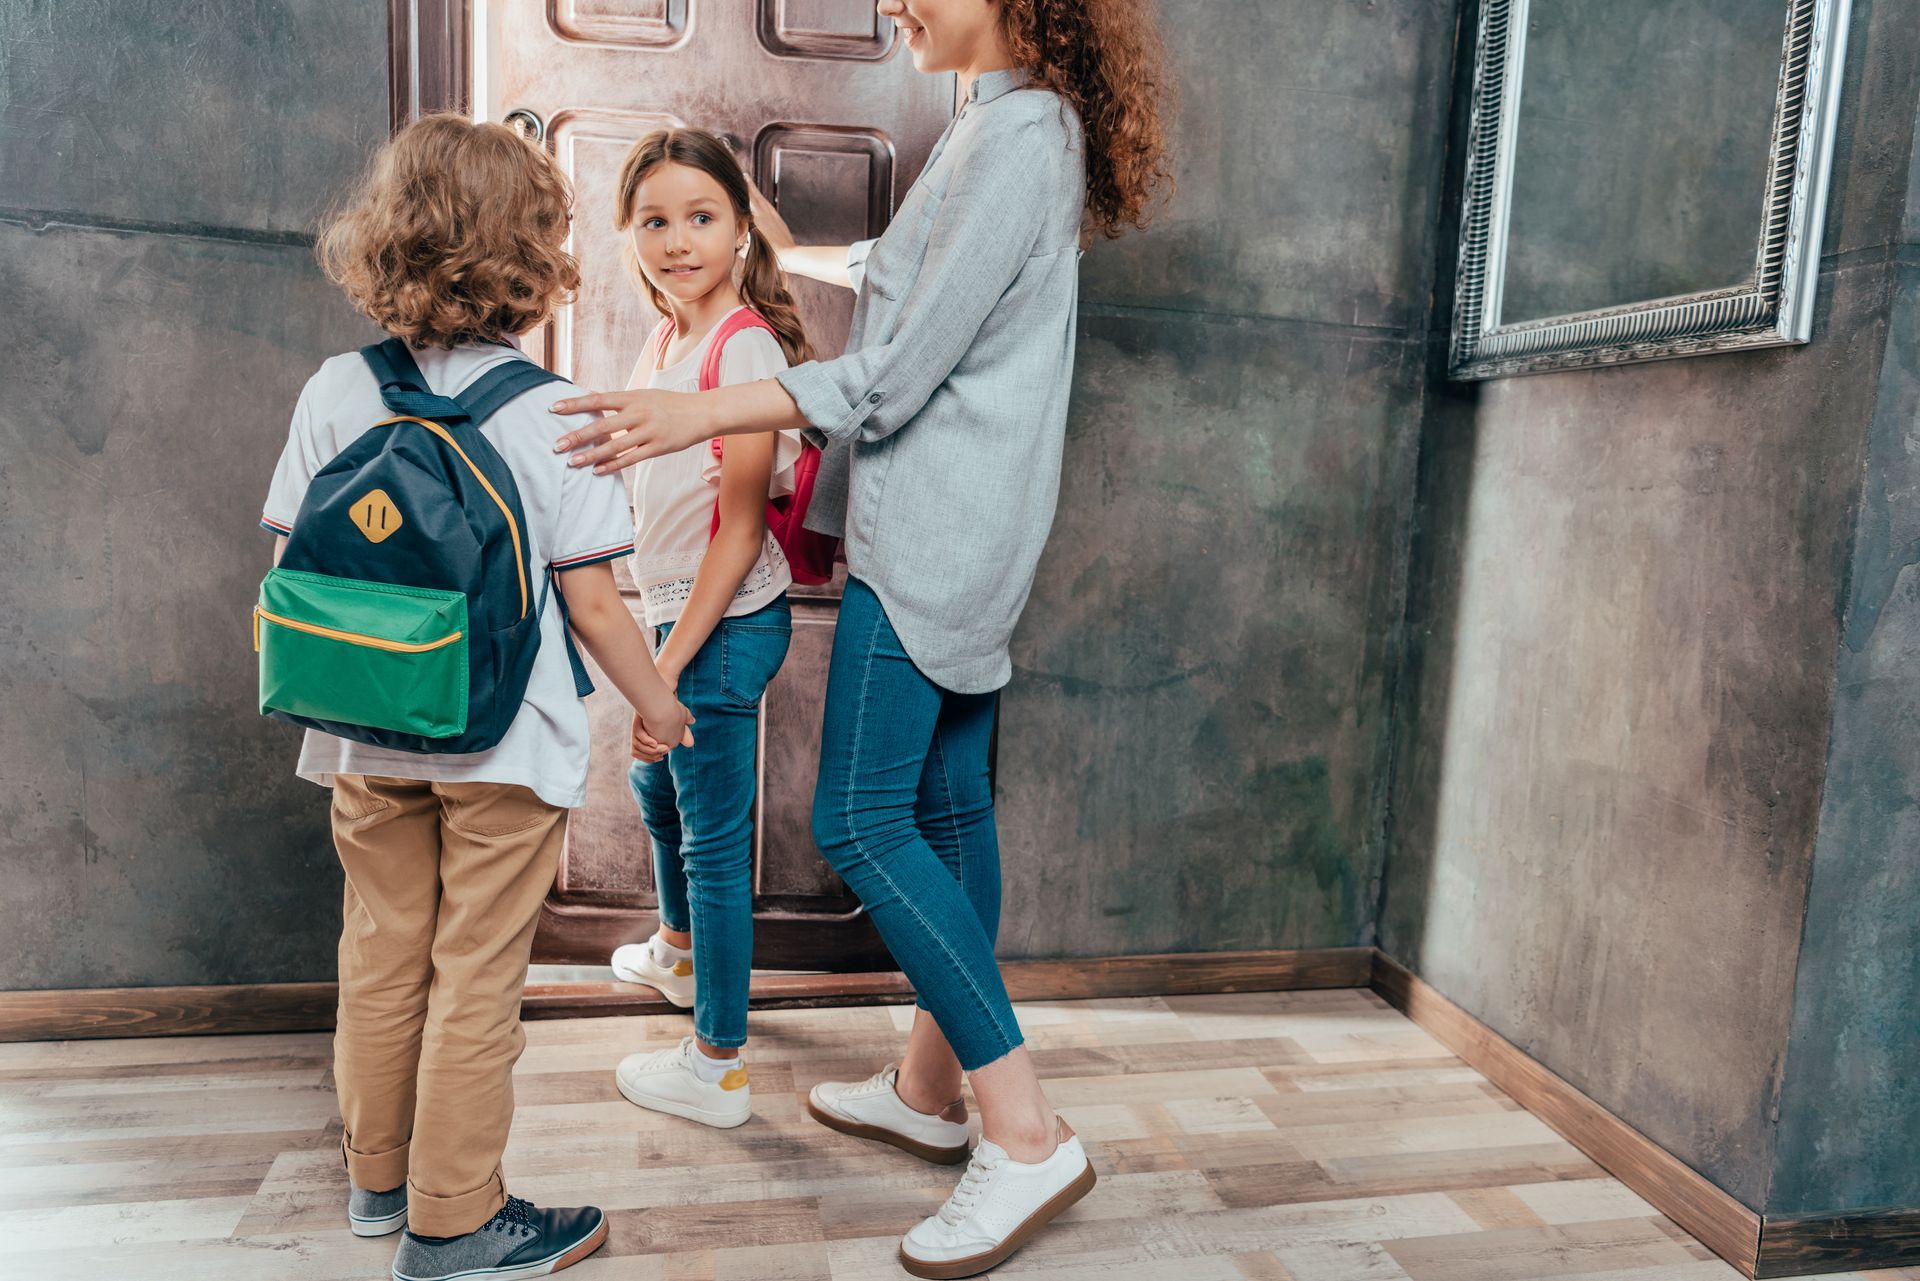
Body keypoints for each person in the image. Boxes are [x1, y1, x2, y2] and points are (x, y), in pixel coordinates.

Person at [550, 2, 1171, 1274]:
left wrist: (697, 410)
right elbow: (903, 273)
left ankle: (1027, 1133)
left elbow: (894, 375)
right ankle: (933, 1094)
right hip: (945, 524)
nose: (896, 2)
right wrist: (788, 246)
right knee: (948, 809)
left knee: (862, 822)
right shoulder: (993, 126)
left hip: (937, 535)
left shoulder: (1022, 136)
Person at [260, 113, 692, 1281]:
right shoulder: (556, 409)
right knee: (476, 976)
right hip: (506, 744)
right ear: (531, 252)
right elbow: (596, 605)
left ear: (389, 236)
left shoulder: (336, 390)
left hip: (360, 735)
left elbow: (303, 559)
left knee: (382, 951)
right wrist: (657, 705)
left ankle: (378, 1181)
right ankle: (456, 1224)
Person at [601, 128, 809, 1130]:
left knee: (712, 843)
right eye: (655, 220)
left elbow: (736, 534)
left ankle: (718, 1063)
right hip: (674, 615)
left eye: (702, 216)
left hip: (721, 624)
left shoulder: (744, 348)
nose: (678, 239)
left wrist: (664, 672)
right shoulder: (666, 333)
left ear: (738, 229)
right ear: (627, 233)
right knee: (655, 784)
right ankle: (680, 956)